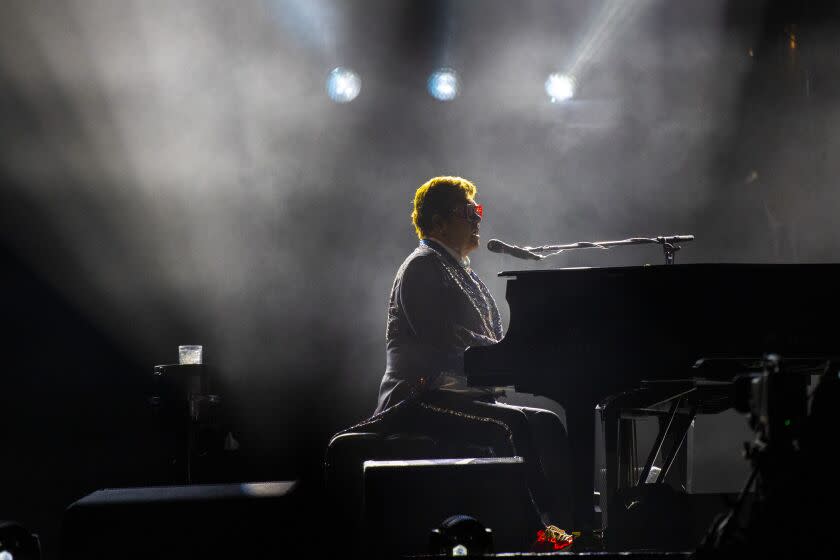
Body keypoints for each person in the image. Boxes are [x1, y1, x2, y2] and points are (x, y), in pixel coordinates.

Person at [365, 176, 572, 529]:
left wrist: (516, 357)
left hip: (457, 396)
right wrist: (503, 359)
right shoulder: (422, 266)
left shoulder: (461, 271)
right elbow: (442, 343)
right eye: (468, 212)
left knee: (548, 422)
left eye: (478, 211)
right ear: (438, 222)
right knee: (513, 424)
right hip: (417, 397)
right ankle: (536, 529)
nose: (478, 219)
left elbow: (487, 339)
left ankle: (571, 520)